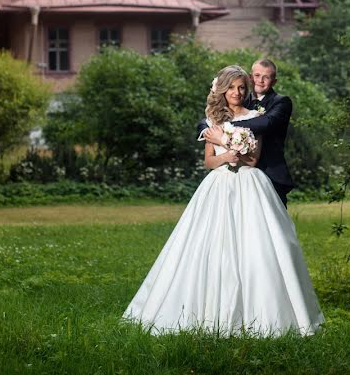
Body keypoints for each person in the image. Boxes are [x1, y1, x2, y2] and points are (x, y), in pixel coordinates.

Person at [123, 65, 323, 336]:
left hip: (251, 184)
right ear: (223, 89)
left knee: (258, 246)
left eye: (242, 88)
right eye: (232, 87)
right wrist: (226, 152)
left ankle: (266, 315)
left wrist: (227, 141)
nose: (237, 92)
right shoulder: (211, 119)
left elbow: (252, 159)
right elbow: (208, 161)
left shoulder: (255, 116)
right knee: (210, 245)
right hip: (218, 186)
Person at [199, 59, 293, 206]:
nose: (260, 81)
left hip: (267, 171)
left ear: (274, 81)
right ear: (250, 77)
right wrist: (210, 126)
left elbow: (265, 123)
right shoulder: (240, 99)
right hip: (225, 178)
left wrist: (223, 132)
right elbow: (205, 124)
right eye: (257, 75)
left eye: (266, 77)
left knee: (268, 220)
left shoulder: (281, 102)